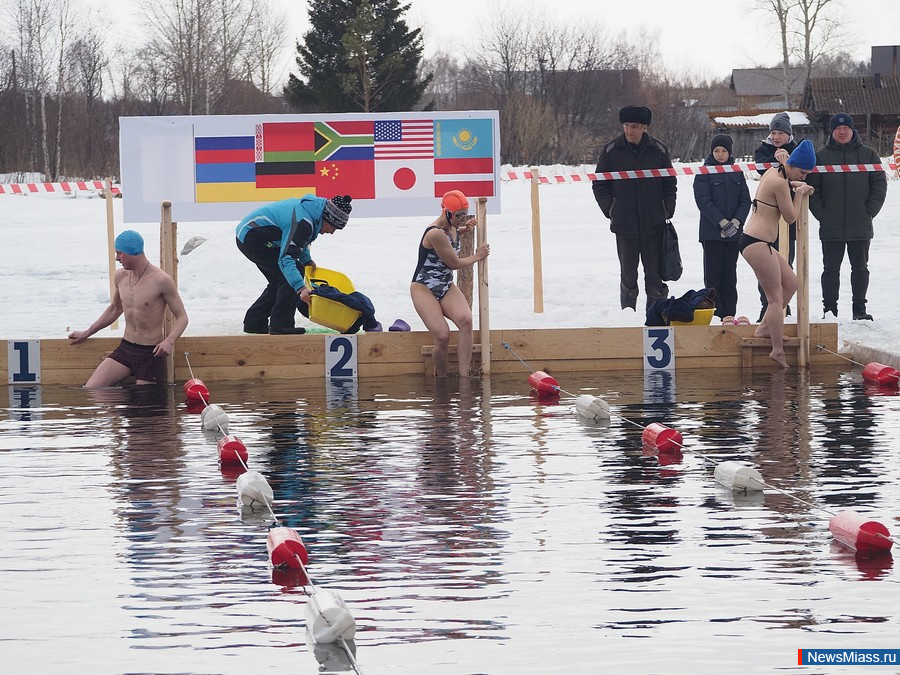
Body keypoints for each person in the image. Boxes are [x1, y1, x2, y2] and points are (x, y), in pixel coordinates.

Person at [68, 230, 189, 387]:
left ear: (133, 252)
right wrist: (87, 333)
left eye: (120, 253)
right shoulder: (120, 276)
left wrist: (169, 341)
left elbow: (182, 317)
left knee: (142, 404)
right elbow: (115, 309)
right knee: (92, 389)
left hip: (151, 353)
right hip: (126, 348)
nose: (117, 258)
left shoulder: (161, 280)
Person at [739, 140, 816, 368]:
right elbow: (790, 217)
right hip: (756, 243)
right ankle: (777, 350)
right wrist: (800, 193)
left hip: (759, 242)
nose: (803, 177)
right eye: (802, 172)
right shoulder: (780, 183)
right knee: (775, 298)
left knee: (791, 283)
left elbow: (787, 172)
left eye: (806, 174)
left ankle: (765, 328)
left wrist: (793, 177)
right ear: (792, 166)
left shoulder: (775, 171)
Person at [592, 105, 677, 311]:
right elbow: (599, 183)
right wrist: (610, 209)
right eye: (627, 125)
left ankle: (655, 320)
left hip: (654, 225)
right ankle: (627, 317)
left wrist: (667, 209)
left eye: (635, 126)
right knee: (628, 277)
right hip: (624, 225)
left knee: (655, 278)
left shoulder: (659, 150)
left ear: (645, 127)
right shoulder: (611, 150)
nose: (630, 130)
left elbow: (669, 183)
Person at [806, 113, 888, 320]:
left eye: (846, 128)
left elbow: (879, 184)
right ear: (832, 132)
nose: (842, 132)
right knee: (830, 270)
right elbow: (812, 188)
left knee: (860, 268)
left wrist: (869, 211)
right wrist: (822, 214)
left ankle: (859, 309)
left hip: (860, 223)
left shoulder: (869, 155)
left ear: (852, 130)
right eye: (837, 129)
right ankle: (830, 310)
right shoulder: (821, 156)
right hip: (831, 224)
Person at [236, 194, 353, 334]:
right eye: (334, 227)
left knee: (280, 280)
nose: (332, 232)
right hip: (251, 238)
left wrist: (307, 260)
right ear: (327, 218)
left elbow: (298, 242)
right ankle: (281, 324)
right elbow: (286, 258)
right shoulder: (303, 221)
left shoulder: (312, 214)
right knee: (291, 273)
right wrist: (301, 288)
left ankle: (254, 322)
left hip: (253, 235)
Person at [411, 190, 490, 377]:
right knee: (442, 335)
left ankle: (464, 376)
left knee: (466, 320)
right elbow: (454, 263)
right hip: (424, 287)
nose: (462, 219)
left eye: (465, 214)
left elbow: (453, 235)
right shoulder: (435, 233)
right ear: (447, 213)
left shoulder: (452, 226)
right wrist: (478, 256)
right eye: (459, 216)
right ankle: (443, 378)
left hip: (445, 285)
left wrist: (465, 229)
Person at [693, 133, 751, 319]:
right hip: (712, 234)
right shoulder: (704, 172)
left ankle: (729, 315)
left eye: (724, 150)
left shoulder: (736, 171)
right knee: (713, 277)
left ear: (729, 152)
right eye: (716, 150)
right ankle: (713, 314)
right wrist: (722, 222)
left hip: (733, 234)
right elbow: (703, 201)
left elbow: (745, 200)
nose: (720, 154)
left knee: (729, 276)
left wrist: (736, 222)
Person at [753, 112, 798, 321]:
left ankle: (783, 307)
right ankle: (767, 306)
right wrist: (779, 160)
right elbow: (767, 172)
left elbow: (802, 173)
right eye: (773, 132)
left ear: (788, 135)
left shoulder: (796, 152)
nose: (777, 136)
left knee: (786, 263)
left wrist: (788, 160)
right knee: (766, 268)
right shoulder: (763, 151)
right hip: (768, 219)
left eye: (781, 132)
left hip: (788, 217)